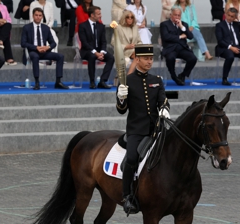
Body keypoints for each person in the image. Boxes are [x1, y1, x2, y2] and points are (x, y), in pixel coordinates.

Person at [116, 44, 170, 215]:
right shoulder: (127, 81)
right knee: (131, 158)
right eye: (146, 58)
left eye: (151, 58)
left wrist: (164, 109)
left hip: (156, 129)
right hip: (137, 130)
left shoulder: (157, 80)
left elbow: (163, 100)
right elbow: (121, 110)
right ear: (137, 59)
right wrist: (121, 98)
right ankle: (127, 196)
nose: (149, 61)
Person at [21, 7, 69, 90]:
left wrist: (47, 47)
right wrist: (36, 48)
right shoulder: (27, 27)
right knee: (35, 57)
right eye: (36, 15)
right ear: (33, 16)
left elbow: (53, 43)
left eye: (40, 15)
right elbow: (23, 43)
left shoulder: (46, 28)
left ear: (42, 16)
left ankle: (58, 81)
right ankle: (37, 82)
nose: (38, 17)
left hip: (44, 51)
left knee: (60, 56)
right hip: (33, 51)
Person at [215, 7, 240, 86]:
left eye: (232, 16)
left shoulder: (236, 24)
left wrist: (239, 19)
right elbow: (220, 41)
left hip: (237, 47)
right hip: (225, 47)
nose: (229, 17)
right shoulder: (219, 25)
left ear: (235, 17)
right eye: (228, 15)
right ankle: (225, 79)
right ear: (226, 14)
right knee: (230, 56)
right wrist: (230, 47)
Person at [79, 6, 115, 89]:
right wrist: (95, 53)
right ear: (92, 15)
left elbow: (103, 41)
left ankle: (102, 81)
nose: (100, 15)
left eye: (100, 14)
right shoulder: (83, 26)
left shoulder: (101, 26)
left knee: (111, 58)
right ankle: (92, 81)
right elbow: (84, 43)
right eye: (98, 14)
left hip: (99, 51)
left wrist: (102, 52)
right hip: (87, 51)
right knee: (92, 56)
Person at [160, 6, 197, 86]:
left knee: (193, 58)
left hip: (182, 48)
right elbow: (166, 37)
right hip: (170, 48)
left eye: (179, 15)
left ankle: (183, 75)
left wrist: (182, 27)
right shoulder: (164, 24)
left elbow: (190, 36)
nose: (177, 17)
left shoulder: (184, 25)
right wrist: (180, 37)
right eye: (175, 15)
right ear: (171, 15)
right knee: (170, 58)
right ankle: (174, 76)